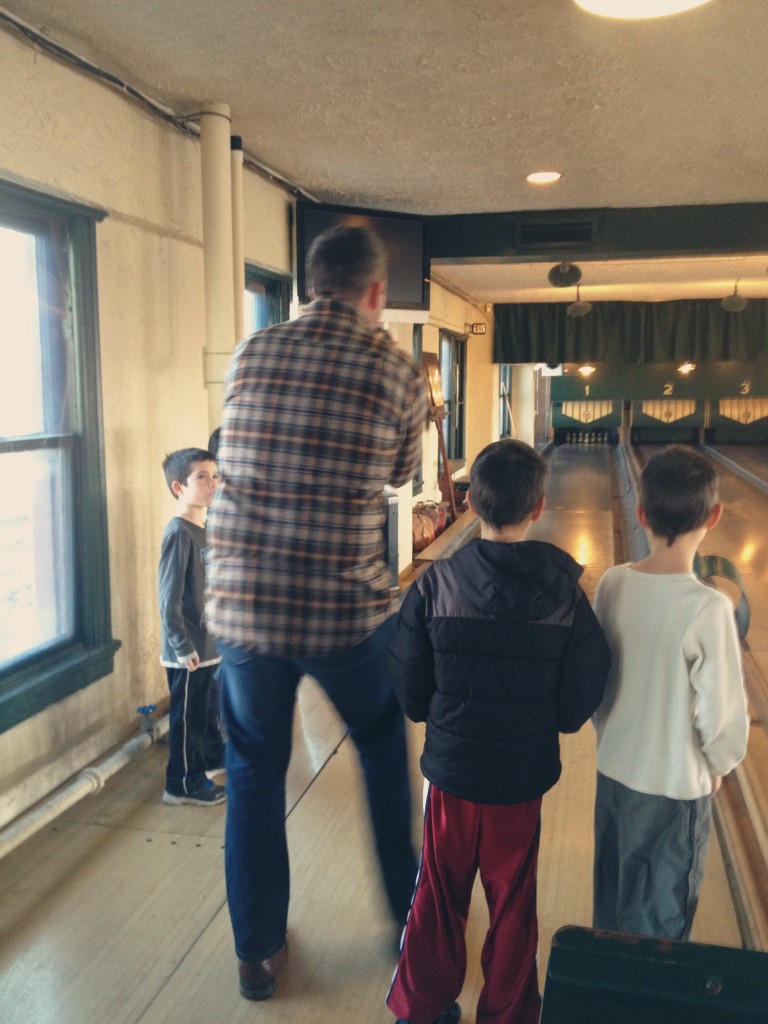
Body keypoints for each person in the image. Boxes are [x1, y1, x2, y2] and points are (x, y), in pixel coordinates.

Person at [205, 225, 429, 1001]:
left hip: (243, 608)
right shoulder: (396, 369)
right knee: (379, 748)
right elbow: (401, 471)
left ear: (307, 287)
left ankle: (257, 954)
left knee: (253, 771)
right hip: (344, 612)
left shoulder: (251, 352)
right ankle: (410, 922)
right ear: (375, 294)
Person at [385, 439, 611, 1024]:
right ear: (537, 507)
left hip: (453, 776)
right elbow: (588, 675)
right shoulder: (562, 589)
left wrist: (429, 714)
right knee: (514, 901)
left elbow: (408, 682)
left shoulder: (435, 585)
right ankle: (509, 1013)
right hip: (520, 780)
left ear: (470, 502)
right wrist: (556, 722)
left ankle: (422, 1005)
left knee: (438, 893)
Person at [592, 444, 749, 940]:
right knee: (661, 928)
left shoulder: (613, 584)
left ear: (641, 514)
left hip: (613, 778)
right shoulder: (708, 608)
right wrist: (719, 765)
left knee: (611, 915)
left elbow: (599, 682)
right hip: (675, 795)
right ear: (715, 516)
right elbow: (722, 718)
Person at [158, 448, 226, 806]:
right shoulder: (179, 534)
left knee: (208, 711)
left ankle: (212, 758)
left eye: (214, 475)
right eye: (202, 477)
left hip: (210, 644)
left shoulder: (205, 527)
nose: (212, 483)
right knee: (188, 718)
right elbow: (168, 599)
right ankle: (182, 782)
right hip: (189, 650)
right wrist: (182, 647)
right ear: (178, 487)